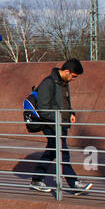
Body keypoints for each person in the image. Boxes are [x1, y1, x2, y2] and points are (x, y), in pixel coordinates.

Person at [29, 58, 91, 195]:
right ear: (67, 71)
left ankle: (36, 180)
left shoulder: (63, 83)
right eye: (73, 76)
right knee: (63, 151)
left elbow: (66, 103)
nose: (73, 79)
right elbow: (43, 109)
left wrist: (71, 113)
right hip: (50, 124)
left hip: (61, 123)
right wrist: (57, 119)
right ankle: (74, 183)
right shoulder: (48, 83)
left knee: (52, 151)